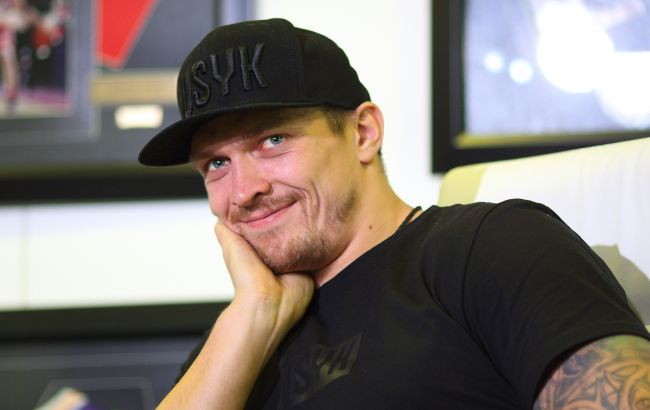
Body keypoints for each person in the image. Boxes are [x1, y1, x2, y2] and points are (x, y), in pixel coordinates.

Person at [138, 18, 650, 409]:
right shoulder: (235, 343)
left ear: (363, 133)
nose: (244, 190)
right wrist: (252, 312)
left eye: (273, 140)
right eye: (216, 163)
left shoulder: (494, 249)